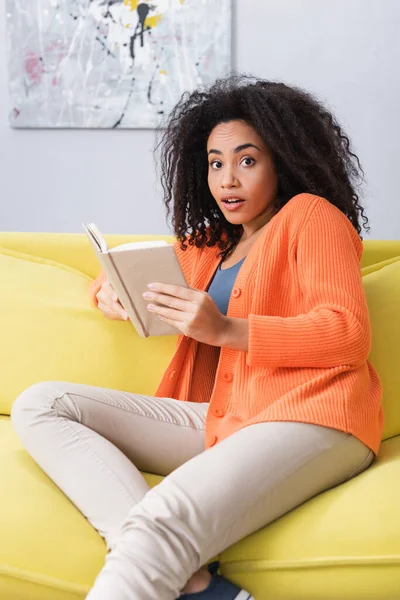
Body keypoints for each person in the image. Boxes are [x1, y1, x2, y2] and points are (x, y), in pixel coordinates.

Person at [11, 75, 383, 600]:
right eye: (215, 163)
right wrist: (111, 293)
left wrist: (227, 330)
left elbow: (348, 334)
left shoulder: (312, 218)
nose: (227, 179)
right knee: (44, 404)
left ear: (284, 161)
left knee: (161, 525)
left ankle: (163, 558)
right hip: (227, 417)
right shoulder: (211, 243)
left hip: (312, 415)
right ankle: (196, 584)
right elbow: (130, 269)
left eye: (247, 161)